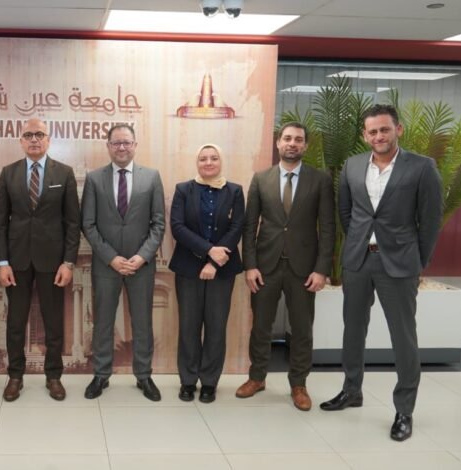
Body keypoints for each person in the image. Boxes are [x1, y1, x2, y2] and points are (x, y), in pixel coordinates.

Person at [320, 104, 443, 441]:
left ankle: (404, 410)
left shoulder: (422, 167)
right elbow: (347, 212)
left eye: (384, 129)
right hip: (358, 261)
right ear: (365, 135)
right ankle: (352, 390)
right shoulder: (352, 165)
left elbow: (430, 220)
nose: (379, 136)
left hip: (400, 264)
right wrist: (359, 243)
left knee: (403, 337)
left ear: (398, 129)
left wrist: (418, 261)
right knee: (353, 330)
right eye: (372, 131)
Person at [237, 122, 335, 411]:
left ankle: (299, 384)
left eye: (298, 140)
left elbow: (328, 228)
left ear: (305, 145)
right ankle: (257, 378)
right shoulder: (261, 179)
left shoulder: (320, 180)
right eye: (288, 138)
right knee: (261, 327)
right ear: (278, 143)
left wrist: (322, 269)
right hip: (265, 266)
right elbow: (249, 226)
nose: (292, 143)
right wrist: (250, 265)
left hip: (304, 269)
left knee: (302, 329)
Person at [0, 118, 81, 402]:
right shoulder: (8, 173)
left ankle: (53, 376)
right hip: (16, 261)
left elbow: (72, 223)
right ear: (21, 140)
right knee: (16, 322)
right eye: (28, 135)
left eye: (39, 134)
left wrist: (68, 262)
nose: (34, 139)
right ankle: (15, 376)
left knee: (53, 322)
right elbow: (0, 223)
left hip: (53, 262)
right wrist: (2, 262)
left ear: (48, 140)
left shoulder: (64, 173)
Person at [81, 123, 166, 401]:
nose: (121, 147)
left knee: (142, 322)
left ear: (135, 145)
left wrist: (142, 257)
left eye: (126, 142)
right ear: (108, 146)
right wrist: (111, 258)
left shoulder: (151, 177)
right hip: (107, 265)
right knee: (103, 322)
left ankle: (144, 376)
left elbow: (158, 224)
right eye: (116, 142)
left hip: (141, 265)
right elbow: (88, 224)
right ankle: (101, 375)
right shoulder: (94, 179)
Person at [168, 144, 245, 403]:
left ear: (221, 161)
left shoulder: (235, 191)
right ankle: (188, 381)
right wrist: (209, 251)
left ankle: (210, 382)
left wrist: (214, 262)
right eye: (203, 158)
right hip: (188, 268)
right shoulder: (183, 190)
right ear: (197, 162)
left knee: (216, 327)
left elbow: (237, 227)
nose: (208, 162)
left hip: (222, 270)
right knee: (188, 326)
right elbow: (177, 227)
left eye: (214, 158)